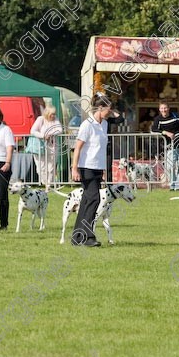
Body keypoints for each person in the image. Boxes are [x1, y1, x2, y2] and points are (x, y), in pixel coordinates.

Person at [70, 94, 114, 247]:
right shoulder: (87, 125)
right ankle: (88, 236)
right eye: (109, 108)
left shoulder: (105, 124)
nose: (111, 111)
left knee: (87, 201)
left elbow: (100, 148)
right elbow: (78, 148)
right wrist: (74, 168)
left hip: (97, 167)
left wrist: (103, 169)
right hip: (86, 167)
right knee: (94, 199)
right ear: (100, 108)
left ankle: (77, 237)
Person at [152, 102, 179, 191]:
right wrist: (165, 132)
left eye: (165, 108)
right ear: (159, 109)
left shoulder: (175, 115)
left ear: (168, 108)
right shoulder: (158, 119)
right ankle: (172, 184)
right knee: (170, 166)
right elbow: (154, 129)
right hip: (170, 146)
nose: (164, 110)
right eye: (162, 108)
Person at [30, 105, 62, 191]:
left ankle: (49, 185)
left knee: (51, 167)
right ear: (47, 113)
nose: (53, 116)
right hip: (40, 146)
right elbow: (33, 131)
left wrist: (50, 133)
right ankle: (45, 183)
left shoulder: (56, 120)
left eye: (54, 114)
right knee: (41, 167)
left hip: (53, 146)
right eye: (52, 114)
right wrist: (43, 135)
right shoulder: (40, 119)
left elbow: (59, 129)